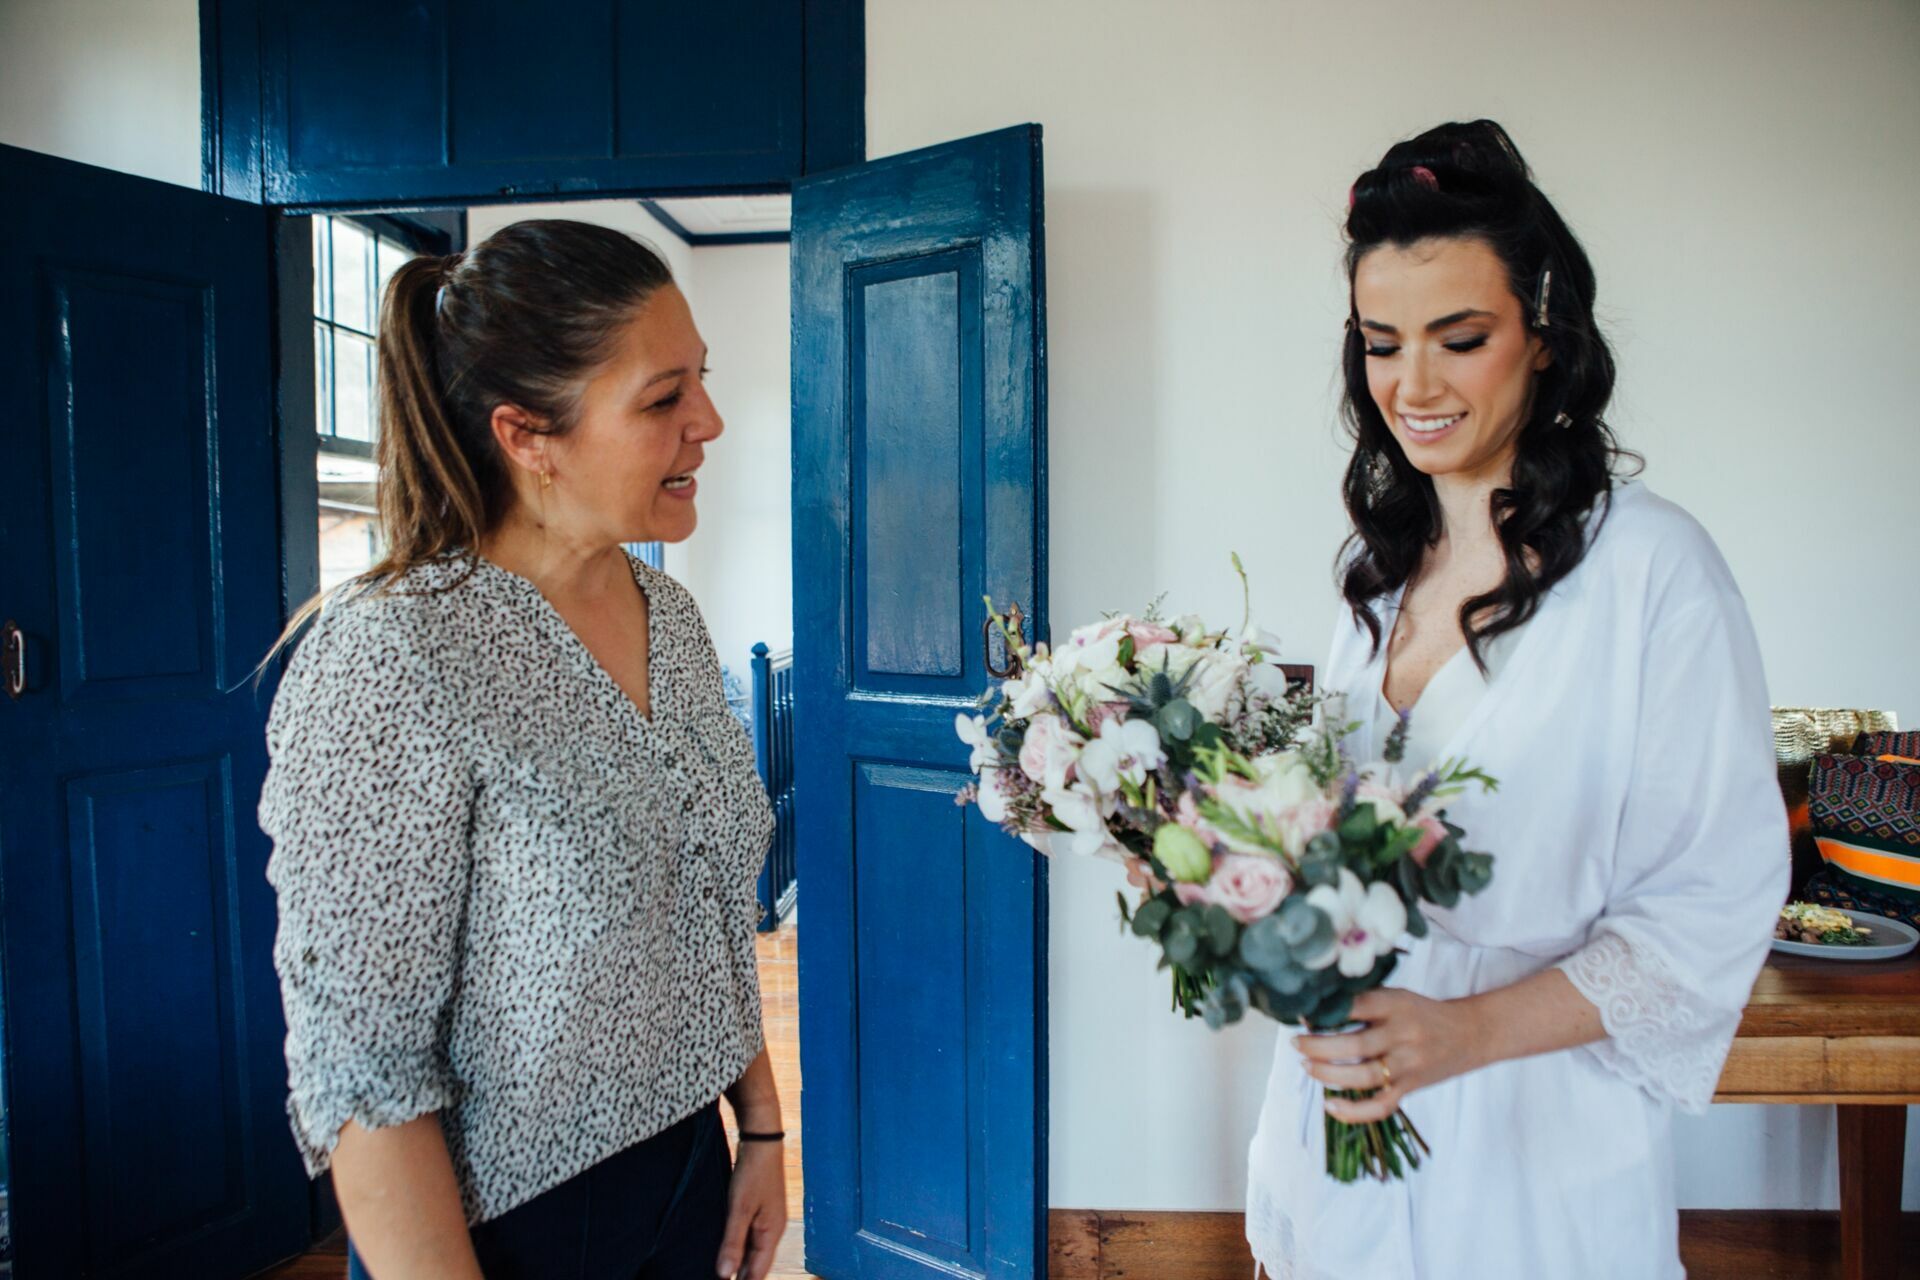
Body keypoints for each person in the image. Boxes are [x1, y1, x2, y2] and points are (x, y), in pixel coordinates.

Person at [1244, 122, 1788, 1278]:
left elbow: (1713, 900)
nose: (1416, 385)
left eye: (1462, 338)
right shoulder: (1374, 577)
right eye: (1383, 342)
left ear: (1544, 336)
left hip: (1536, 1150)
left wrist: (1465, 1031)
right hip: (1339, 1122)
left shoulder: (1655, 575)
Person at [259, 220, 785, 1280]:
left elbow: (707, 912)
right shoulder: (393, 654)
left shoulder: (669, 615)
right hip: (502, 1227)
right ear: (526, 433)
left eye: (704, 381)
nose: (710, 420)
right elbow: (367, 1075)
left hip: (687, 1169)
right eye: (663, 396)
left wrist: (761, 1127)